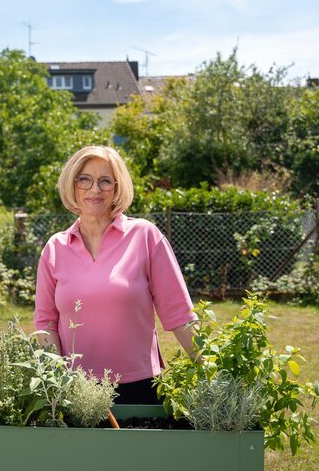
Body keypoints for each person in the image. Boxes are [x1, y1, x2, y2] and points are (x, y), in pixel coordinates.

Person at [34, 145, 197, 405]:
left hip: (139, 388)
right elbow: (45, 323)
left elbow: (179, 314)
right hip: (76, 392)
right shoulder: (55, 248)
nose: (94, 189)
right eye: (85, 179)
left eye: (105, 181)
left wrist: (213, 371)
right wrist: (56, 384)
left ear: (117, 187)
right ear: (73, 184)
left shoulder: (145, 236)